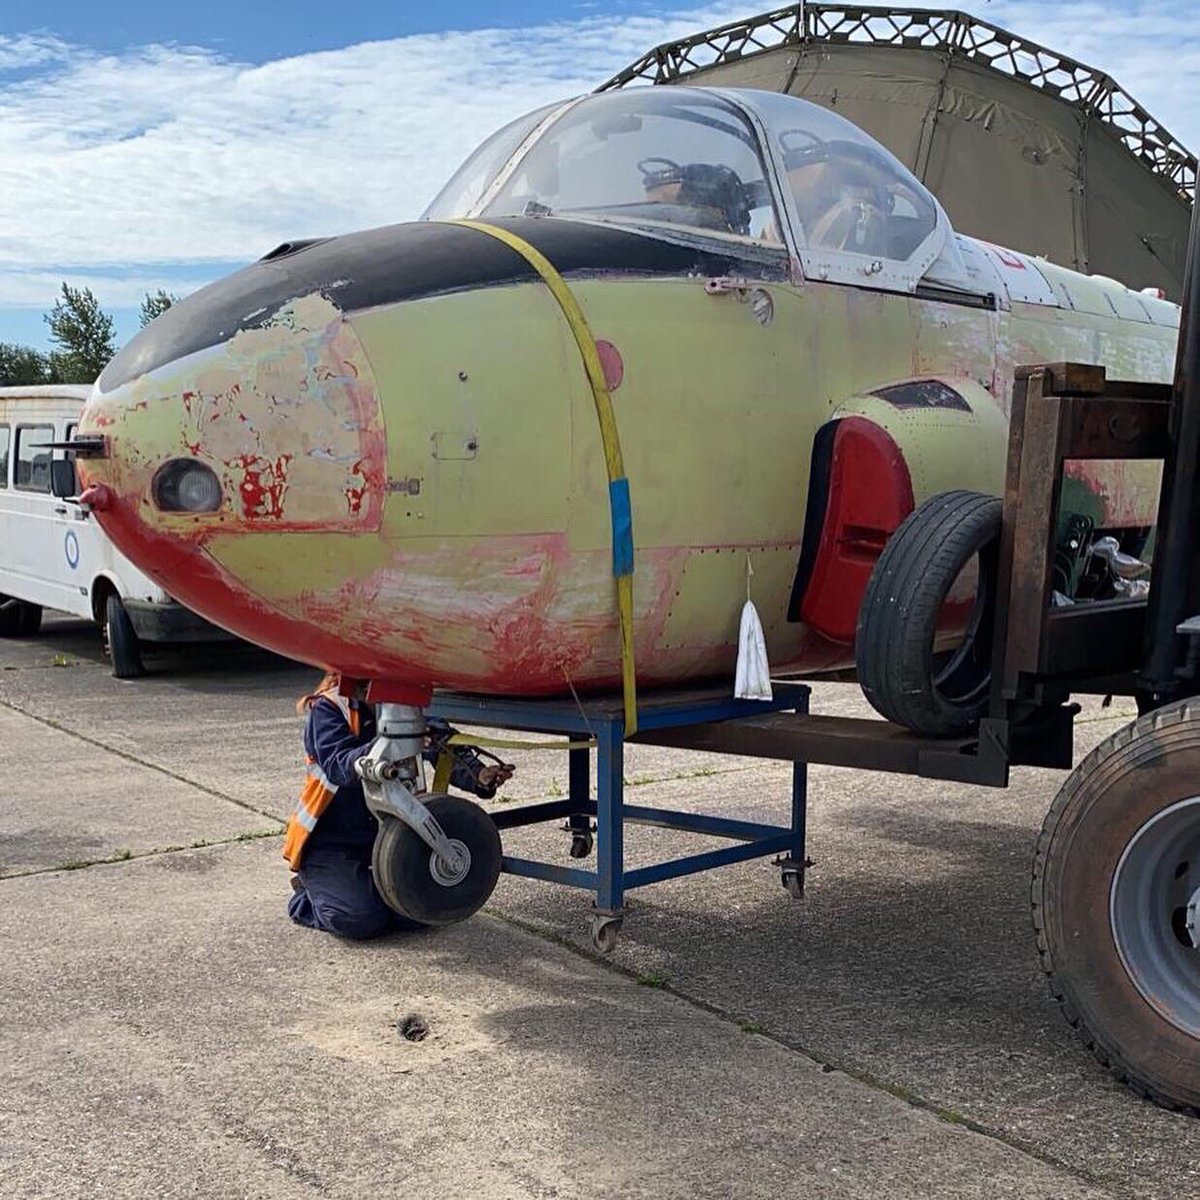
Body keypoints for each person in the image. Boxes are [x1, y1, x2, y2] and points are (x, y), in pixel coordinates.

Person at [284, 672, 514, 940]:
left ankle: (357, 890)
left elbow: (444, 744)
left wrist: (479, 775)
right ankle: (309, 896)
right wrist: (391, 743)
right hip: (333, 844)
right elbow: (338, 764)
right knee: (359, 919)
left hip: (390, 838)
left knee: (418, 915)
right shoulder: (330, 708)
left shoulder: (408, 702)